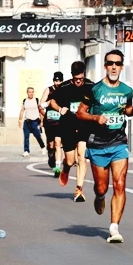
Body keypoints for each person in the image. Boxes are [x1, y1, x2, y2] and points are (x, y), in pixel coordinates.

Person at [77, 50, 133, 243]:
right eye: (110, 63)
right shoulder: (95, 90)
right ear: (105, 66)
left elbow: (127, 110)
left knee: (120, 184)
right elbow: (80, 113)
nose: (114, 66)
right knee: (101, 188)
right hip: (98, 143)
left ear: (122, 67)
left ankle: (114, 228)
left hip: (118, 142)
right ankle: (99, 197)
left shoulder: (126, 91)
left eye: (117, 63)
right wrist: (95, 117)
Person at [49, 61, 95, 202]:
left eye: (81, 79)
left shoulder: (90, 86)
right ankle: (66, 167)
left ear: (84, 75)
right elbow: (52, 102)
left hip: (83, 126)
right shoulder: (64, 87)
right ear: (72, 76)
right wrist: (59, 109)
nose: (78, 82)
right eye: (76, 79)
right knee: (70, 160)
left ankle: (79, 190)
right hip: (67, 127)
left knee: (82, 157)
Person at [41, 72, 65, 176]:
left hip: (60, 122)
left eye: (59, 81)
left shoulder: (65, 90)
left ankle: (57, 168)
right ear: (53, 81)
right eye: (56, 80)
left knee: (58, 144)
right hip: (49, 122)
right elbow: (41, 104)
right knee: (51, 145)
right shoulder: (48, 90)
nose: (58, 83)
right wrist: (48, 105)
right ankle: (51, 155)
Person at [18, 87, 45, 157]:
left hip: (35, 121)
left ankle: (43, 147)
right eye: (29, 92)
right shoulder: (25, 101)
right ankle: (26, 151)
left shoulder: (36, 100)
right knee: (26, 137)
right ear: (27, 93)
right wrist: (20, 120)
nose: (31, 93)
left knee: (37, 135)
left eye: (32, 92)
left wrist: (42, 121)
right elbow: (22, 111)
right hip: (27, 121)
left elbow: (41, 110)